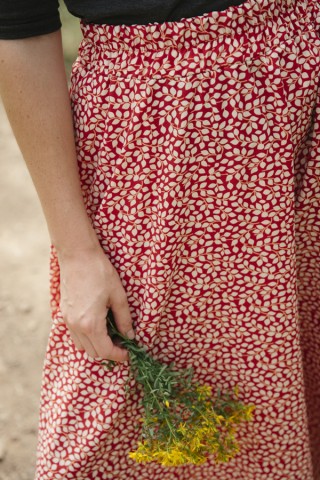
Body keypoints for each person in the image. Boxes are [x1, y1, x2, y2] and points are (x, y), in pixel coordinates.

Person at [0, 0, 319, 478]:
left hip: (306, 86)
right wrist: (77, 252)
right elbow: (18, 24)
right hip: (159, 135)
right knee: (119, 408)